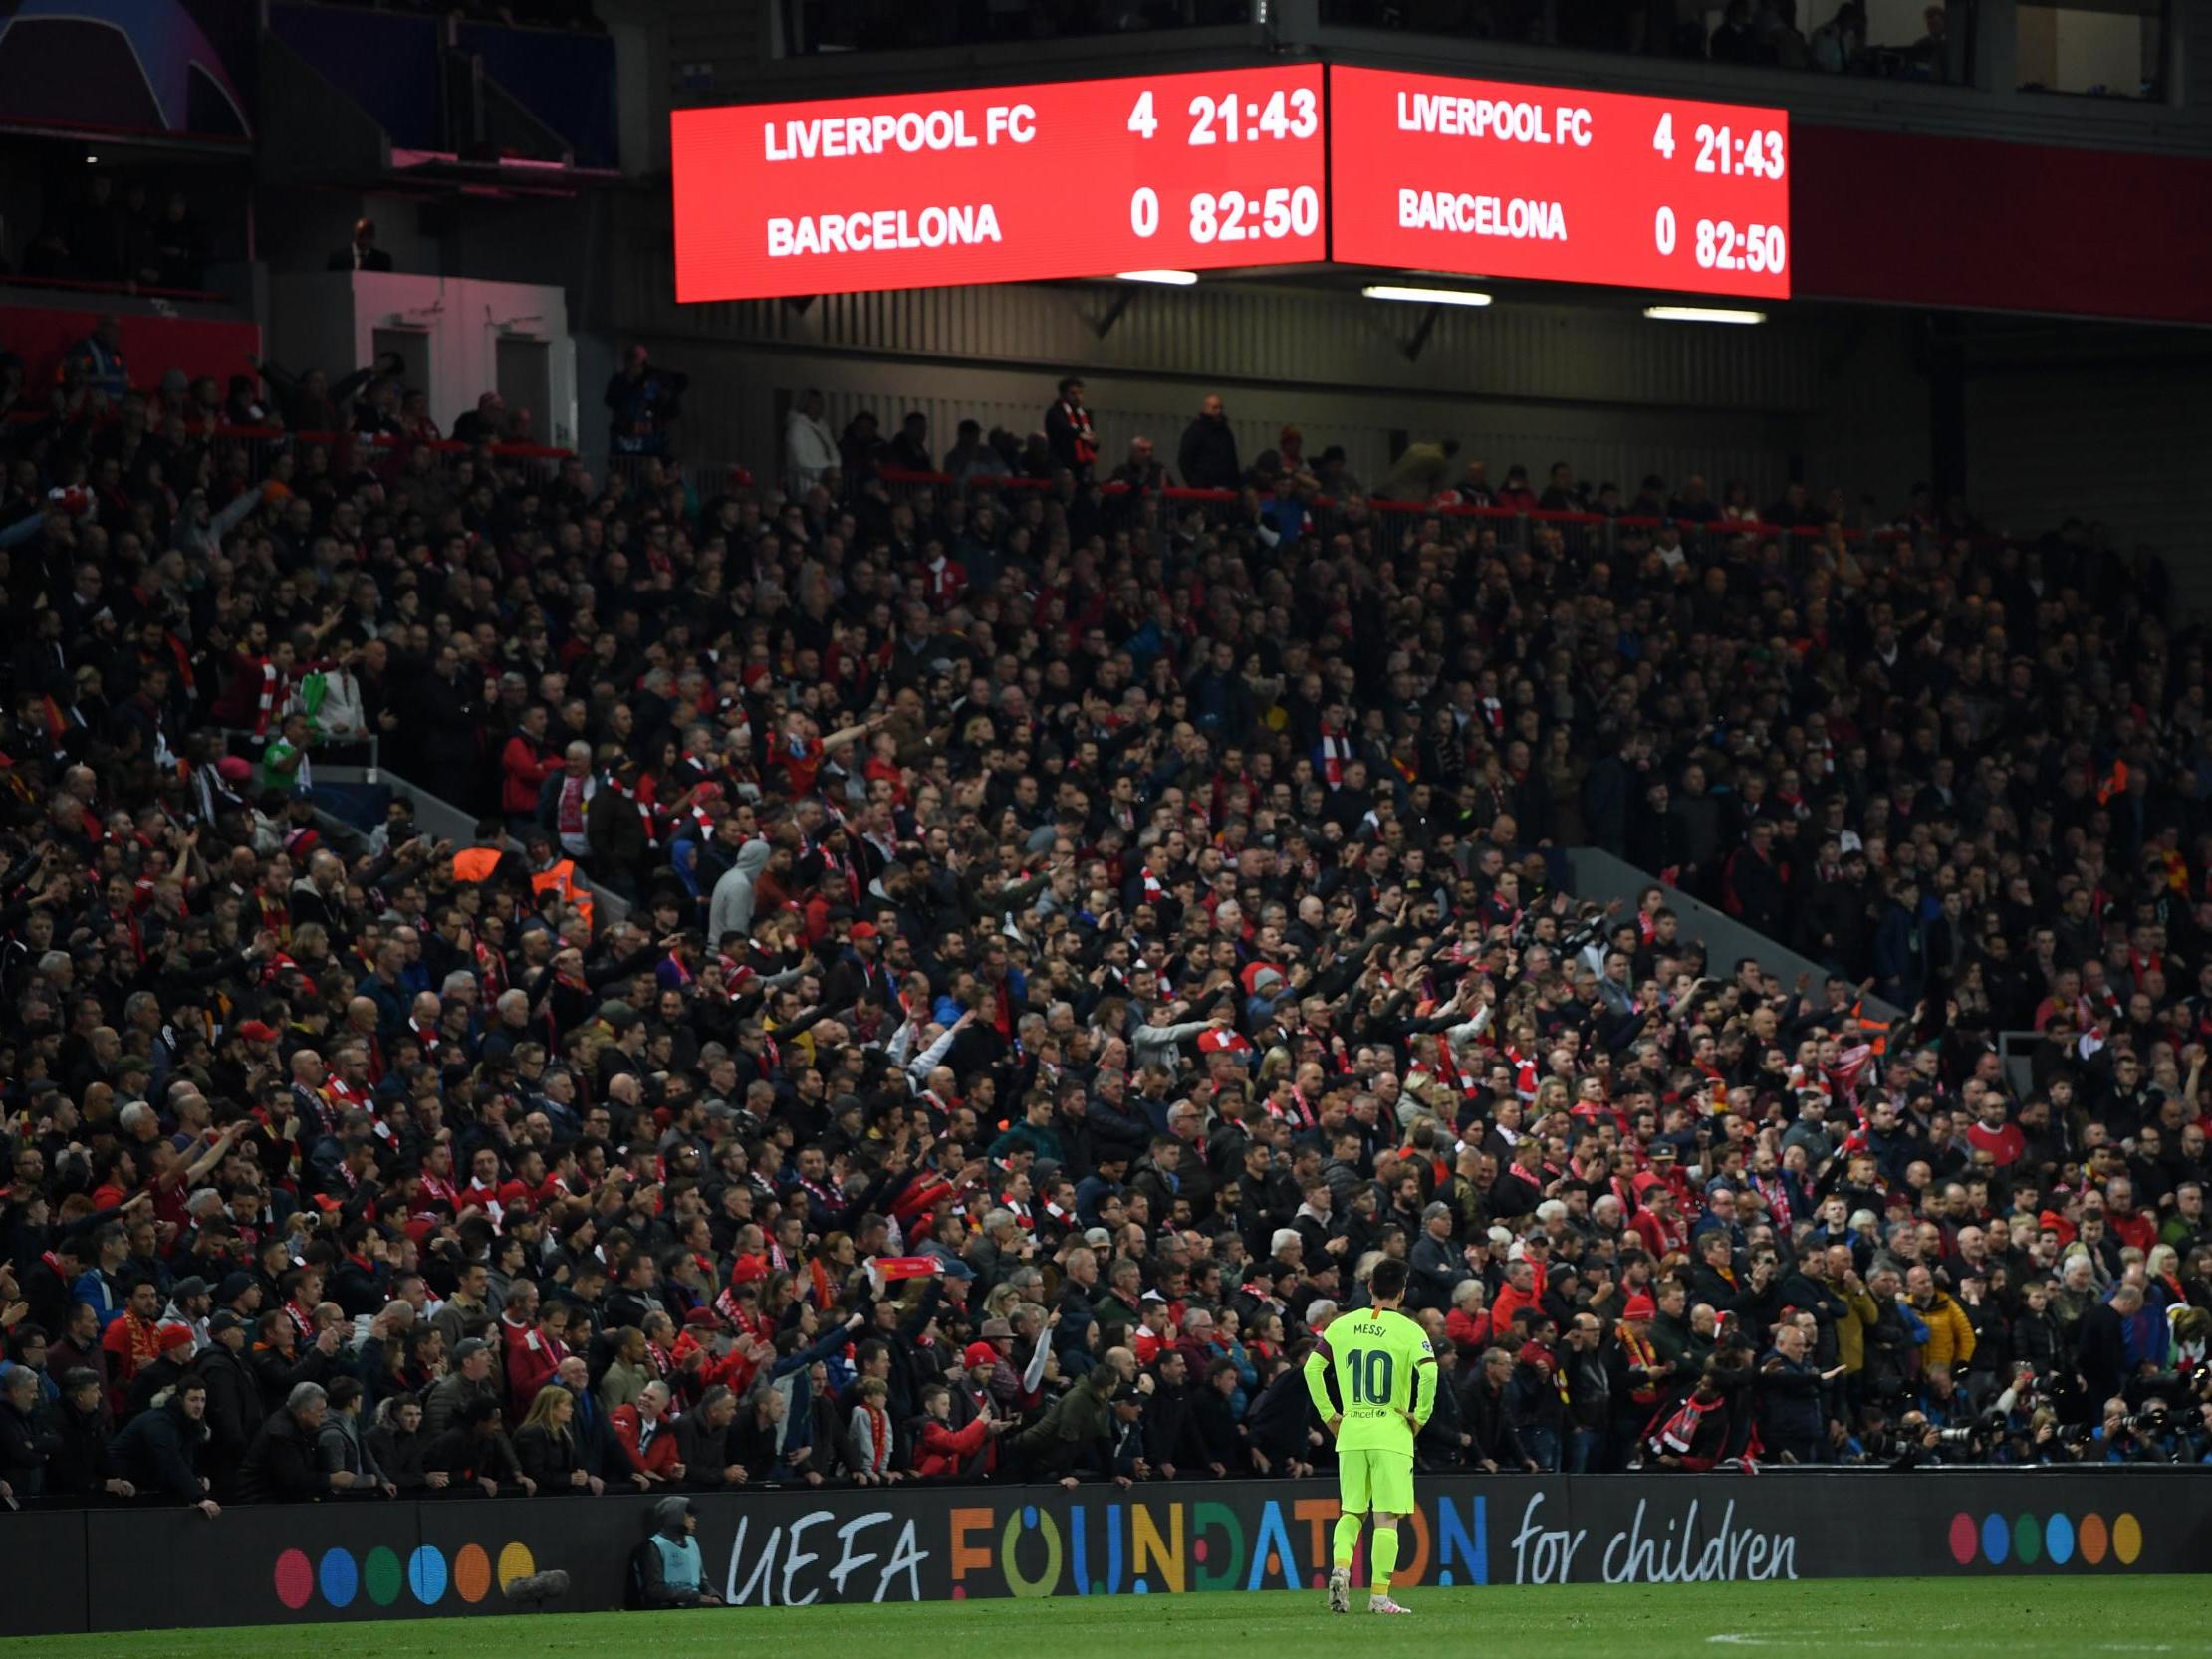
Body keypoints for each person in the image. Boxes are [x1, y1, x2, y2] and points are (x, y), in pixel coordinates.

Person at [1303, 1257, 1435, 1615]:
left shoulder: (1342, 1326)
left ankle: (1341, 1568)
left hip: (1353, 1431)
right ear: (1403, 1292)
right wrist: (1419, 1418)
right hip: (1391, 1433)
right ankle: (1379, 1597)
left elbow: (1312, 1368)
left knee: (1351, 1512)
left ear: (1369, 1287)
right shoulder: (1410, 1331)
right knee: (1387, 1517)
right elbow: (1430, 1375)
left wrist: (1330, 1416)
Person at [632, 1495, 723, 1607]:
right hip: (670, 1605)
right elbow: (654, 1590)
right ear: (675, 1516)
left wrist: (713, 1595)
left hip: (695, 1601)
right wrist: (694, 1596)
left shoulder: (692, 1543)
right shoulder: (655, 1546)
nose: (694, 1519)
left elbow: (702, 1582)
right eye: (689, 1515)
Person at [329, 218, 394, 272]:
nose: (364, 238)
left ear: (373, 236)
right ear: (354, 234)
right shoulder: (337, 259)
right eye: (361, 234)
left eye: (368, 234)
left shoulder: (383, 260)